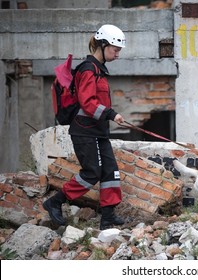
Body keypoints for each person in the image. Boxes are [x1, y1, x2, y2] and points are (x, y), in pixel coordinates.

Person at [44, 24, 127, 230]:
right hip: (83, 131)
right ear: (103, 45)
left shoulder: (99, 70)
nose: (117, 55)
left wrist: (108, 115)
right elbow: (88, 102)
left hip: (97, 131)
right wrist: (111, 114)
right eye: (115, 50)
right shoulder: (88, 70)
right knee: (92, 172)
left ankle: (107, 218)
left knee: (110, 171)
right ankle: (55, 202)